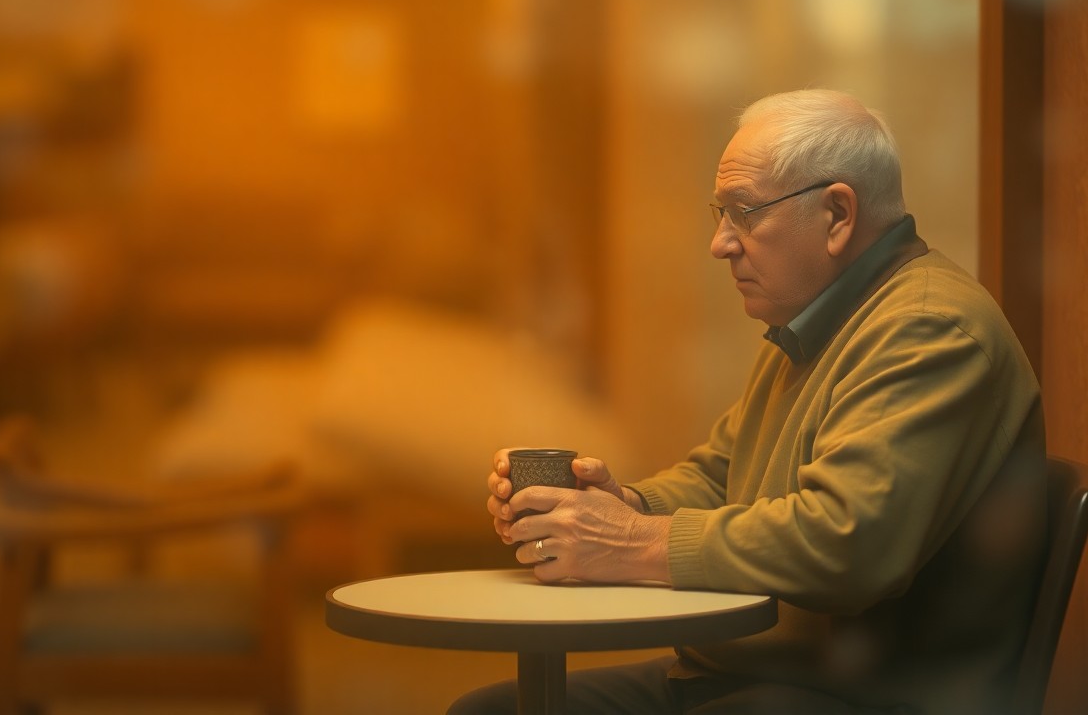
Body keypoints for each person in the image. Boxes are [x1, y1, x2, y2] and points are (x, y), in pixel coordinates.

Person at [448, 89, 1047, 714]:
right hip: (768, 671)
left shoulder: (928, 328)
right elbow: (720, 474)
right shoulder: (816, 319)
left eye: (745, 212)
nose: (721, 244)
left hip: (862, 693)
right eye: (721, 214)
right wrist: (615, 505)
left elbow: (845, 543)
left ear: (838, 214)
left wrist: (630, 542)